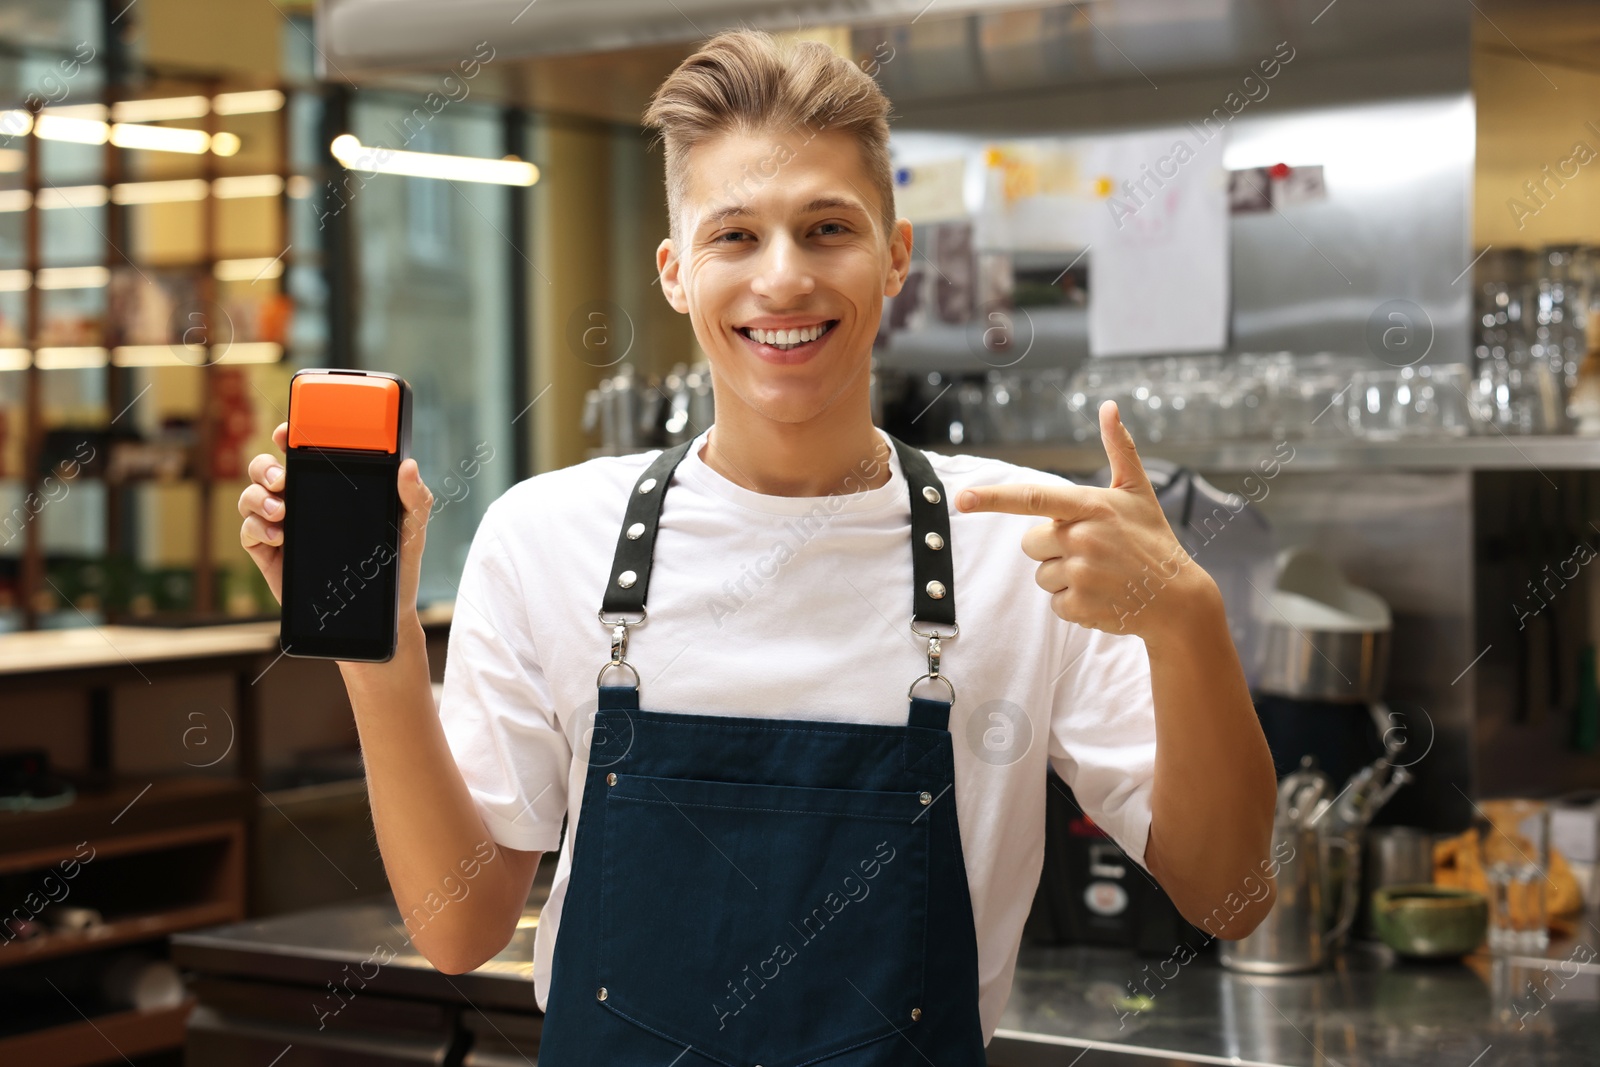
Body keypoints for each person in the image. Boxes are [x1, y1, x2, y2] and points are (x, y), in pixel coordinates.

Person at [239, 28, 1275, 1060]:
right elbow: (459, 930)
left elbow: (1228, 894)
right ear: (675, 271)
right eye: (734, 235)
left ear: (896, 256)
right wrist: (375, 648)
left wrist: (1186, 619)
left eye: (828, 227)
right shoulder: (547, 536)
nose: (782, 279)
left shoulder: (1025, 541)